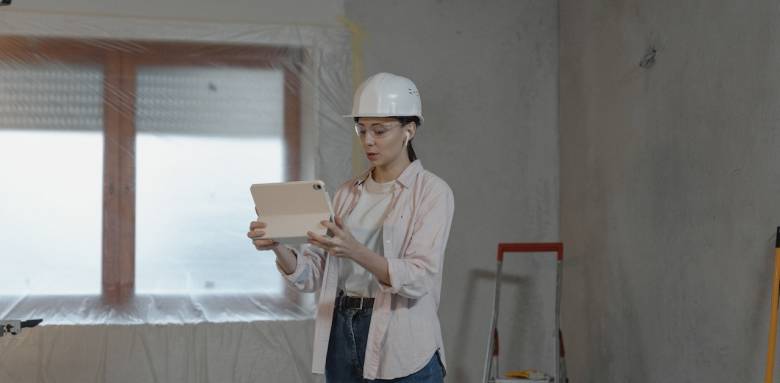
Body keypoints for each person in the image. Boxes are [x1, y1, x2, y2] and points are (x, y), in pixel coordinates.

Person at [247, 72, 454, 382]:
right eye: (361, 129)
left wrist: (356, 251)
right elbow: (312, 274)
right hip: (341, 330)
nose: (368, 141)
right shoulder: (347, 194)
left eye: (380, 130)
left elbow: (419, 279)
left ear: (409, 130)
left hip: (402, 340)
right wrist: (277, 246)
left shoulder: (433, 193)